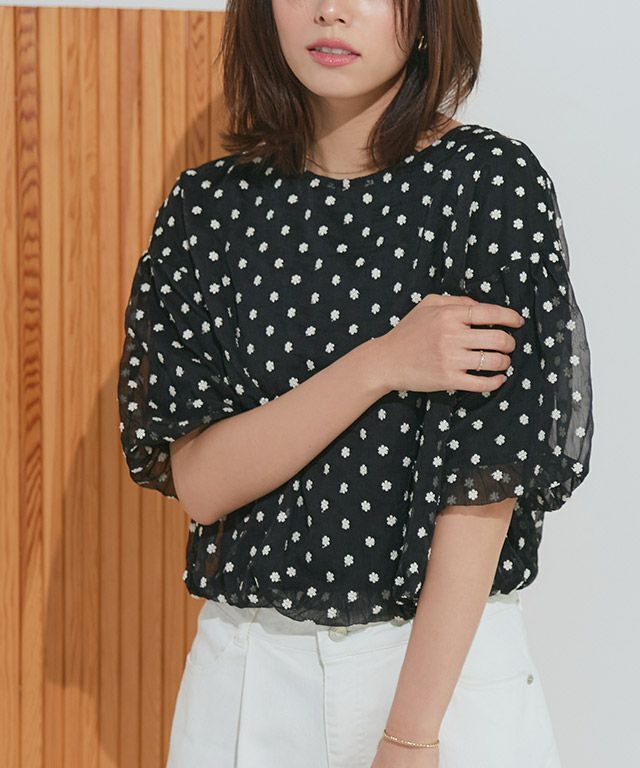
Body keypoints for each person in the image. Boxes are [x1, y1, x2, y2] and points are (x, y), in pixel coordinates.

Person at [117, 1, 594, 766]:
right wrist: (384, 363)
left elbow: (486, 484)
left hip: (443, 672)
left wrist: (411, 733)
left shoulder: (487, 183)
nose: (329, 12)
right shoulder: (208, 208)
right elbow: (202, 483)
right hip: (249, 671)